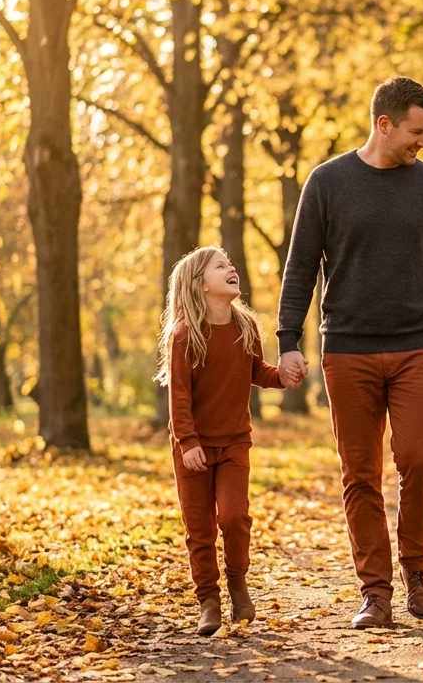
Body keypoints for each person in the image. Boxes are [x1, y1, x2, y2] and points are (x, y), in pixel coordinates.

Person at [275, 76, 423, 629]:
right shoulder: (327, 182)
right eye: (417, 131)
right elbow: (299, 267)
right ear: (384, 123)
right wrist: (286, 339)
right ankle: (375, 591)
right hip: (347, 349)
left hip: (417, 344)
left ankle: (416, 569)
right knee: (360, 473)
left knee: (418, 457)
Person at [156, 246, 290, 635]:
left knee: (234, 517)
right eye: (221, 266)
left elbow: (256, 371)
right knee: (199, 529)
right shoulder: (185, 335)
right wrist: (188, 442)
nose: (232, 269)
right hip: (192, 447)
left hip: (234, 443)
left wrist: (283, 376)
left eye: (232, 264)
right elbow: (178, 397)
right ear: (200, 285)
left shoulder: (245, 326)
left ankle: (237, 582)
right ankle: (208, 601)